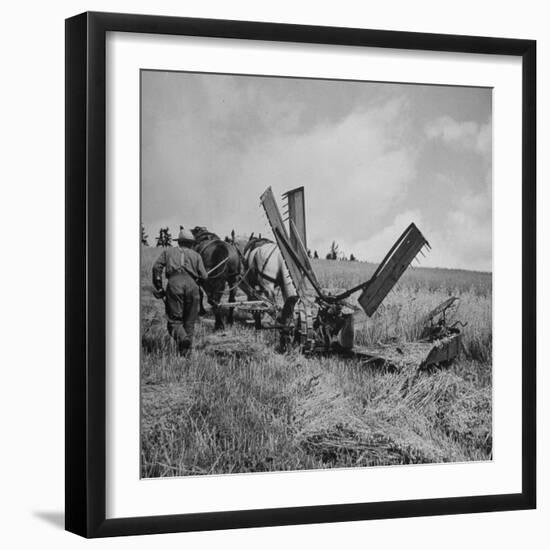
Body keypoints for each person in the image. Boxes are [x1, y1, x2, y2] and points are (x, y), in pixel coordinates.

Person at [152, 227, 208, 353]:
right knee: (189, 322)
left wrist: (159, 286)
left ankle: (183, 339)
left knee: (174, 322)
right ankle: (186, 353)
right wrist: (196, 283)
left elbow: (156, 267)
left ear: (179, 241)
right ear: (191, 243)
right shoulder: (196, 255)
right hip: (192, 287)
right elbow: (204, 276)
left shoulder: (168, 252)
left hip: (174, 285)